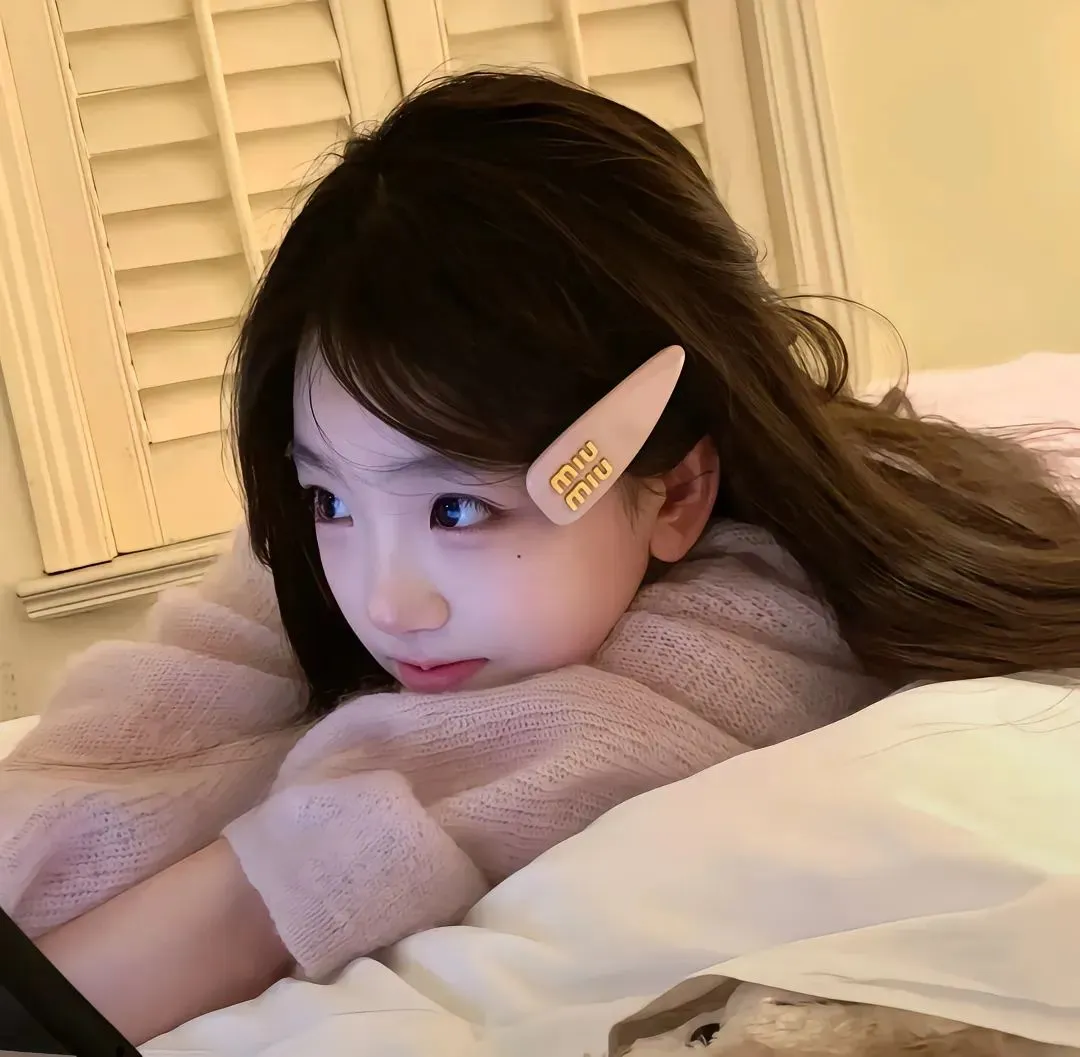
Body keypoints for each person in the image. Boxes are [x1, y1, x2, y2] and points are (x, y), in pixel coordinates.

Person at [2, 71, 1079, 1045]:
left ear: (678, 492)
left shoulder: (756, 640)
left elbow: (278, 885)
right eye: (328, 496)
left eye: (458, 509)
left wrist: (264, 874)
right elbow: (101, 768)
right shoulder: (346, 560)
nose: (385, 598)